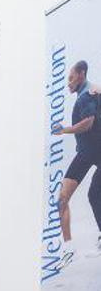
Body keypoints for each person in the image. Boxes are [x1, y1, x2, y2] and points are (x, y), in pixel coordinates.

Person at [51, 60, 101, 269]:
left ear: (81, 74)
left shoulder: (88, 94)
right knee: (62, 200)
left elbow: (88, 123)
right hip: (86, 153)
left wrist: (64, 130)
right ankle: (68, 249)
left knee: (94, 194)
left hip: (97, 152)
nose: (68, 83)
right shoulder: (90, 93)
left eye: (71, 78)